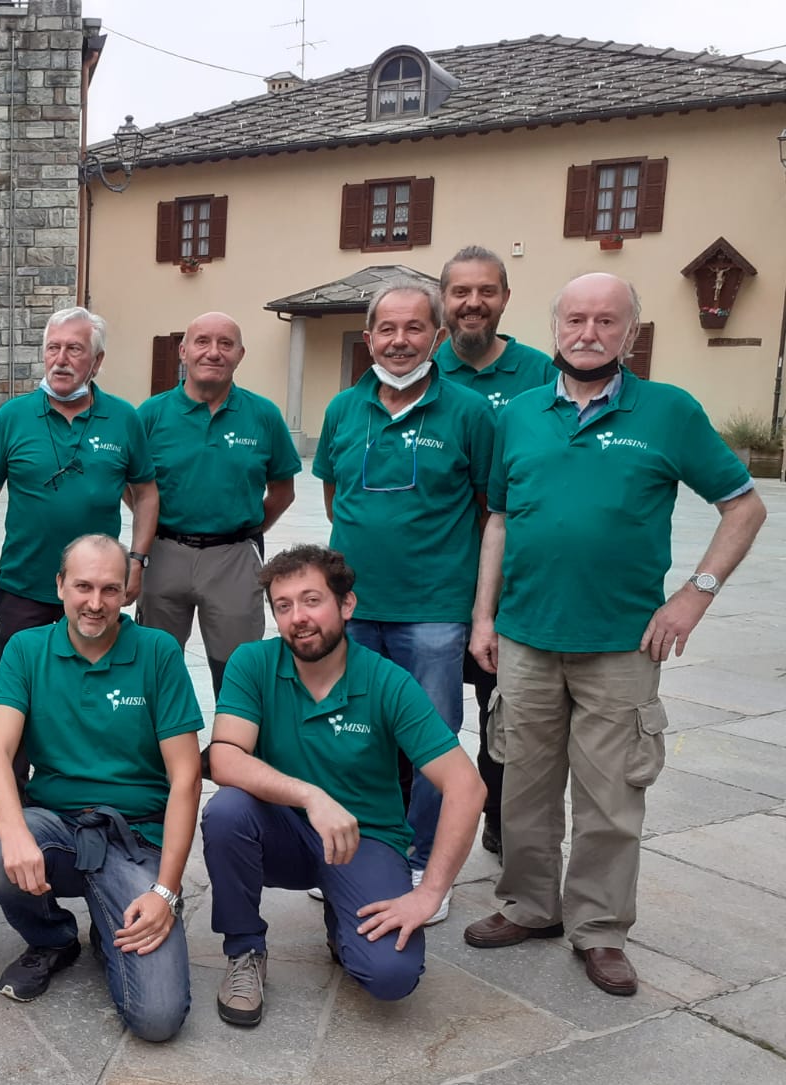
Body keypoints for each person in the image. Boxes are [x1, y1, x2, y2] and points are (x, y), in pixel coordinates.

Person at [465, 272, 766, 998]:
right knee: (524, 788)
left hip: (621, 646)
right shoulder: (521, 414)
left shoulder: (668, 411)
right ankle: (529, 906)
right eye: (575, 318)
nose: (588, 332)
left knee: (610, 798)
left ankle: (598, 929)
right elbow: (499, 520)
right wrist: (483, 617)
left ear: (630, 332)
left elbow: (745, 507)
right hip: (526, 639)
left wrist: (694, 596)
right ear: (555, 326)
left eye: (606, 320)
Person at [201, 545, 484, 1027]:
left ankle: (342, 913)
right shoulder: (253, 662)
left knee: (391, 976)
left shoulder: (387, 681)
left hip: (363, 838)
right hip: (282, 830)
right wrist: (311, 796)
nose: (298, 617)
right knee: (226, 812)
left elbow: (466, 787)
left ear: (346, 604)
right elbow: (224, 757)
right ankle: (244, 950)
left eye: (311, 600)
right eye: (284, 606)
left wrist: (430, 892)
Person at [311, 278, 493, 923]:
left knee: (431, 738)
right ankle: (357, 848)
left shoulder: (469, 412)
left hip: (434, 610)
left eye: (414, 327)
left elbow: (486, 508)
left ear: (437, 337)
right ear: (368, 339)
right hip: (353, 610)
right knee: (351, 731)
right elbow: (336, 499)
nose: (399, 340)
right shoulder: (342, 410)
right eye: (386, 329)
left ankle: (421, 860)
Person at [0, 534, 201, 1043]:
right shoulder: (28, 650)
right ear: (60, 586)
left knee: (158, 1018)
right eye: (83, 587)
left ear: (127, 592)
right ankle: (52, 938)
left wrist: (166, 890)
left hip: (134, 836)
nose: (95, 603)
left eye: (110, 589)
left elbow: (186, 777)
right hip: (57, 826)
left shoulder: (157, 652)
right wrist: (13, 832)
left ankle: (110, 922)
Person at [433, 246, 558, 860]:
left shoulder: (540, 374)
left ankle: (501, 818)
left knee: (502, 711)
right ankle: (415, 821)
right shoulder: (419, 369)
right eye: (460, 292)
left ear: (505, 298)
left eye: (486, 291)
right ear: (444, 300)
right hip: (433, 583)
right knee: (420, 712)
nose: (473, 303)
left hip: (510, 585)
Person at [0, 307, 157, 661]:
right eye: (53, 348)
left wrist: (136, 561)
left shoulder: (123, 418)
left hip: (96, 593)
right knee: (21, 684)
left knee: (94, 681)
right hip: (23, 588)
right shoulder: (12, 417)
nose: (61, 360)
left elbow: (147, 494)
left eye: (74, 349)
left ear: (97, 360)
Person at [137, 311, 300, 698]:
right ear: (183, 351)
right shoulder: (150, 415)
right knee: (153, 668)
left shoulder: (263, 416)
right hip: (164, 552)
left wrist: (247, 530)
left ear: (240, 354)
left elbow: (283, 491)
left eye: (226, 344)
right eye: (202, 342)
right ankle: (160, 737)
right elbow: (136, 489)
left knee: (239, 673)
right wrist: (152, 524)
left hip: (234, 557)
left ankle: (233, 736)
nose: (213, 352)